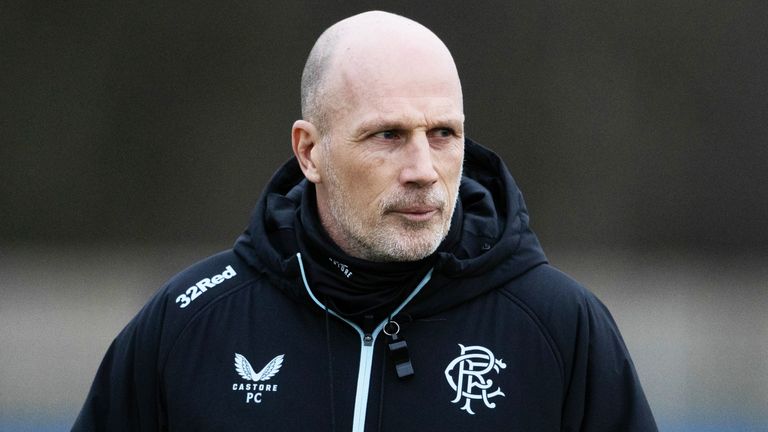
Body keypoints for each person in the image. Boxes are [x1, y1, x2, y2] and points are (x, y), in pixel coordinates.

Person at [73, 10, 657, 432]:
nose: (424, 170)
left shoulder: (560, 327)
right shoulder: (188, 324)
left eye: (443, 134)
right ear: (310, 152)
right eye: (388, 135)